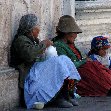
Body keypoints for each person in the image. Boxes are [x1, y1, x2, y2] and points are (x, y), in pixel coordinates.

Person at [10, 14, 81, 109]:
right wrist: (44, 45)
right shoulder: (20, 40)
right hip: (29, 74)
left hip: (36, 70)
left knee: (63, 59)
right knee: (56, 63)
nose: (39, 30)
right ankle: (57, 97)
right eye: (37, 27)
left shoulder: (33, 40)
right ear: (31, 30)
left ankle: (66, 95)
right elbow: (29, 55)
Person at [53, 15, 111, 97]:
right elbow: (67, 66)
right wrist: (85, 61)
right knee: (91, 68)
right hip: (75, 74)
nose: (76, 36)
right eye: (75, 33)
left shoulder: (70, 44)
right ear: (67, 33)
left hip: (81, 69)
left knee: (96, 66)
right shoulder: (58, 46)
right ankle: (107, 87)